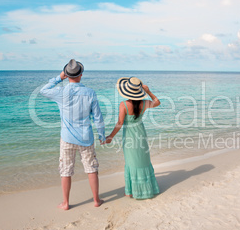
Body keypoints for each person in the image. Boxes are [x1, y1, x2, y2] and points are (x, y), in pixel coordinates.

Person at [40, 59, 105, 210]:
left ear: (66, 75)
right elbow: (98, 117)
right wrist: (101, 135)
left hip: (67, 138)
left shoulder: (61, 92)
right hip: (86, 137)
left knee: (66, 170)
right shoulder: (90, 92)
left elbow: (43, 90)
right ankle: (96, 200)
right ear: (81, 74)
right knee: (91, 168)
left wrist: (58, 78)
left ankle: (66, 203)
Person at [103, 77, 160, 199]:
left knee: (131, 161)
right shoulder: (144, 103)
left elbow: (120, 123)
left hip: (129, 135)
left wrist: (110, 137)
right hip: (141, 133)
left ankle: (130, 191)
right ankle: (147, 189)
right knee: (143, 160)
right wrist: (149, 91)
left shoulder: (123, 104)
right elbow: (157, 102)